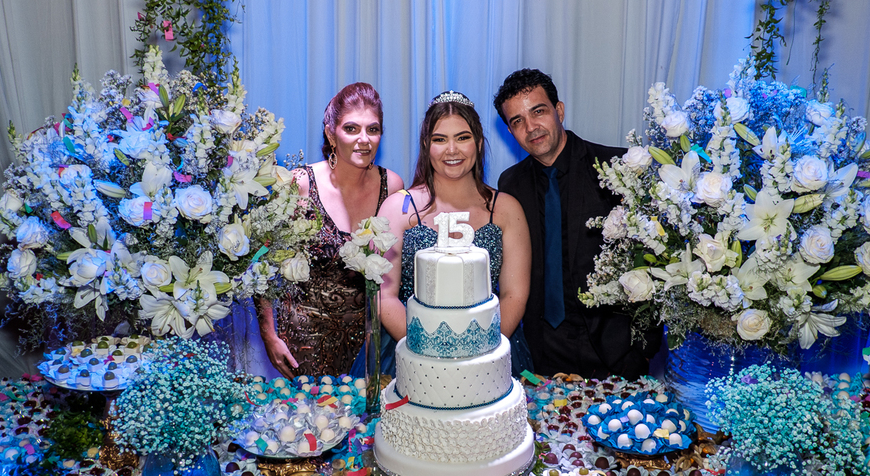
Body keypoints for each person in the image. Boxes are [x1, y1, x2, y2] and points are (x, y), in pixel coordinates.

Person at [494, 68, 653, 379]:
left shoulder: (616, 169)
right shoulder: (510, 184)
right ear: (510, 132)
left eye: (538, 111)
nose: (531, 127)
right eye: (517, 121)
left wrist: (644, 350)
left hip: (616, 352)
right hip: (542, 352)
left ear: (559, 111)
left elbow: (652, 258)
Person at [256, 82, 404, 378]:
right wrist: (269, 334)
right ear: (330, 133)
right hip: (304, 343)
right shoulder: (299, 184)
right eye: (351, 129)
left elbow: (395, 271)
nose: (364, 140)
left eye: (373, 129)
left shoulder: (392, 185)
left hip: (368, 343)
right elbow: (261, 262)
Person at [377, 91, 531, 372]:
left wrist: (481, 356)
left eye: (462, 137)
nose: (452, 150)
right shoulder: (397, 208)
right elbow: (384, 297)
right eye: (440, 139)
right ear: (426, 145)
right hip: (407, 350)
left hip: (490, 353)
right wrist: (425, 355)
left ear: (479, 143)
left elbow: (514, 295)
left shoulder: (507, 209)